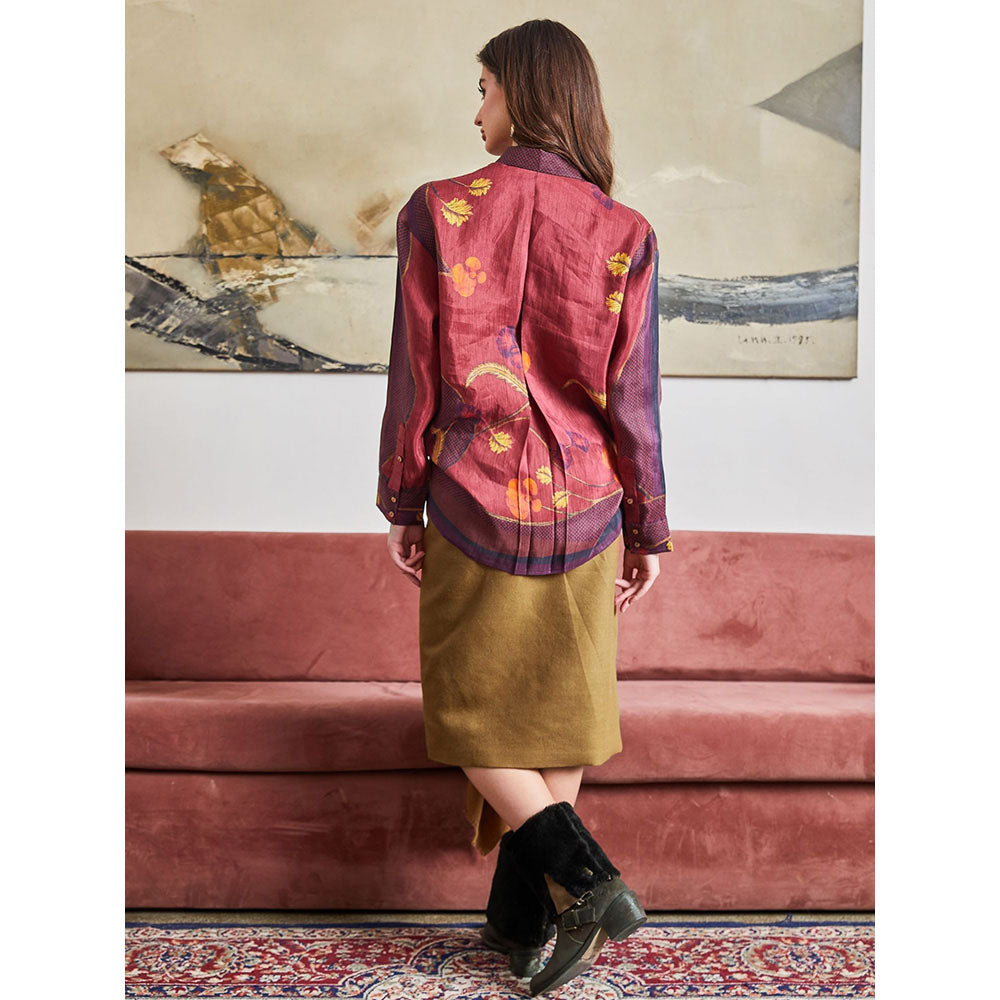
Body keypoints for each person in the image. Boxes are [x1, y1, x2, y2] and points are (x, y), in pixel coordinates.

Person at [375, 18, 673, 996]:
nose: (477, 111)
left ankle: (589, 886)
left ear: (525, 92)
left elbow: (415, 377)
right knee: (557, 715)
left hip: (472, 495)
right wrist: (648, 526)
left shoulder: (438, 210)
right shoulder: (626, 231)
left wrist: (403, 501)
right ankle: (519, 924)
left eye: (486, 89)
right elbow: (634, 400)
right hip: (589, 503)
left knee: (468, 715)